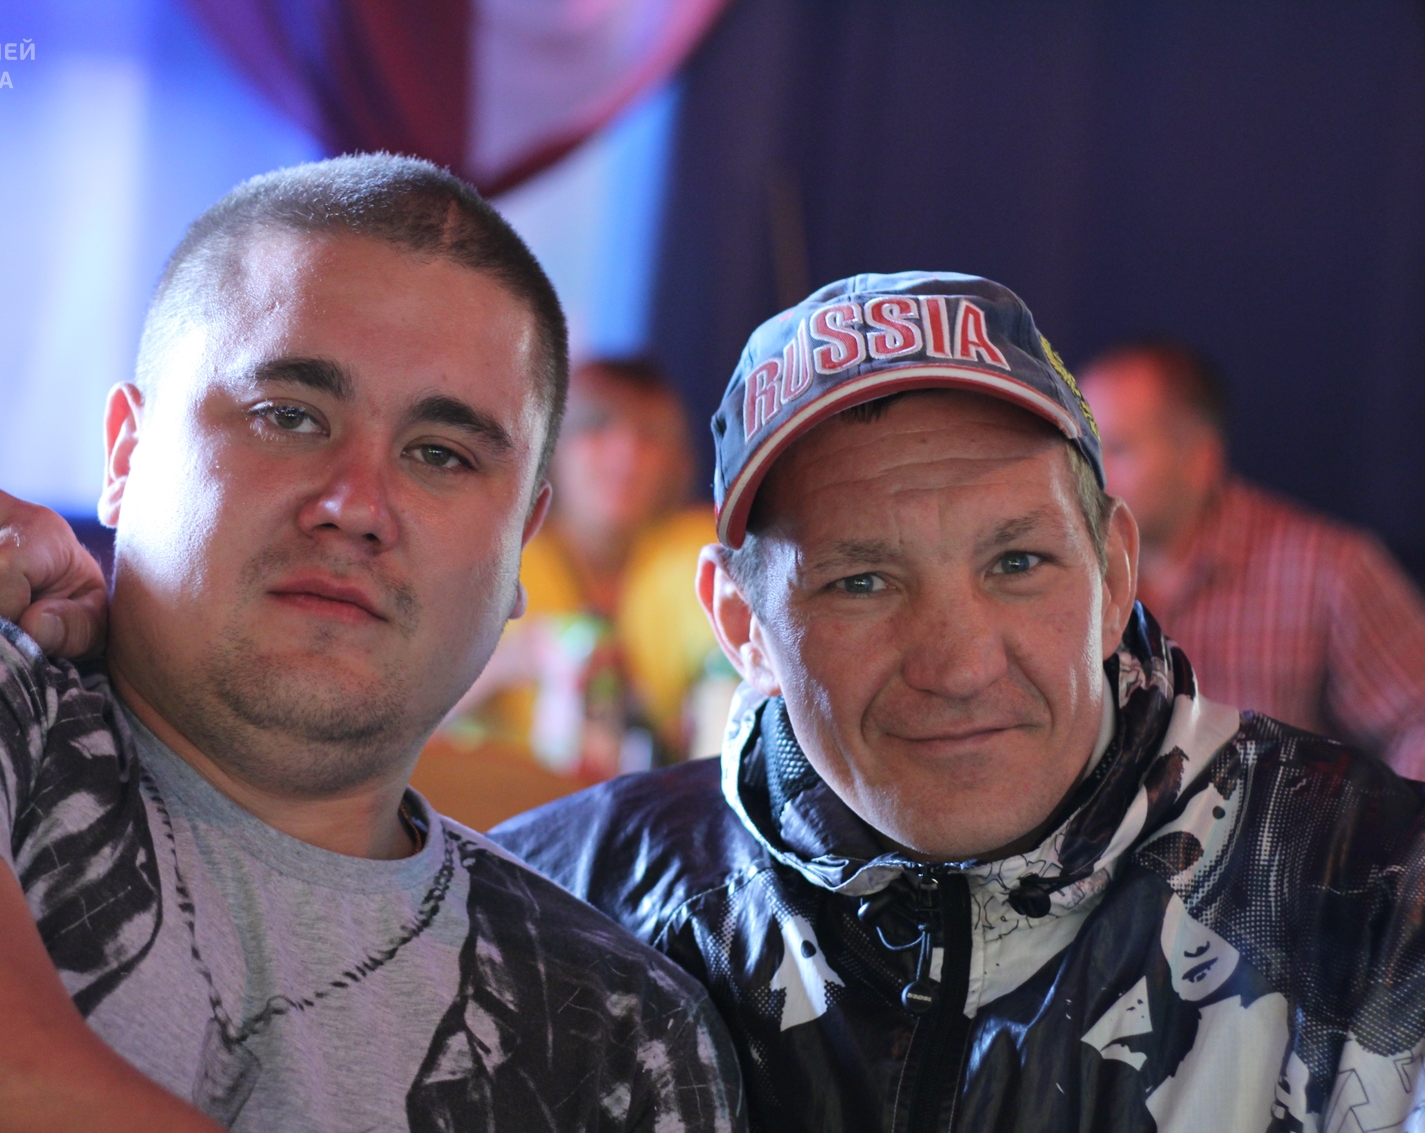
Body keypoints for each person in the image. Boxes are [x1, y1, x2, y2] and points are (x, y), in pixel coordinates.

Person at [0, 156, 744, 1132]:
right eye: (288, 415)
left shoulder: (619, 1030)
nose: (356, 504)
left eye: (440, 454)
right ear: (125, 454)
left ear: (521, 537)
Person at [485, 274, 1425, 1130]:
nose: (961, 665)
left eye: (1018, 562)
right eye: (861, 581)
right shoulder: (543, 916)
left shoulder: (1382, 898)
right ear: (743, 625)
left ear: (1112, 575)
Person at [1078, 339, 1425, 776]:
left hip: (1270, 818)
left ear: (1199, 459)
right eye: (1084, 449)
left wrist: (1380, 819)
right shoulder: (1065, 566)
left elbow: (1416, 719)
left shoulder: (1327, 570)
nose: (1094, 474)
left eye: (1118, 449)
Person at [445, 358, 732, 774]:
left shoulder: (697, 554)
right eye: (596, 428)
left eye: (649, 436)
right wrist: (509, 662)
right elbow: (400, 708)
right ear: (550, 450)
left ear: (676, 461)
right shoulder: (486, 560)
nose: (625, 453)